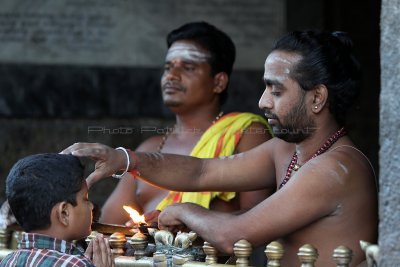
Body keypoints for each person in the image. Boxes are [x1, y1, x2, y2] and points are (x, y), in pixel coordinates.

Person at [62, 30, 378, 266]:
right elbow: (203, 171)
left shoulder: (335, 168)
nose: (262, 102)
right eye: (265, 88)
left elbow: (234, 237)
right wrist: (124, 158)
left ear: (317, 98)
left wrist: (187, 211)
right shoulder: (285, 149)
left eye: (276, 91)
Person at [100, 21, 273, 226]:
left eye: (188, 68)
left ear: (219, 82)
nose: (172, 76)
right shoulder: (151, 147)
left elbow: (260, 219)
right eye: (168, 67)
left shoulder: (246, 133)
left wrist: (190, 221)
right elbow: (110, 222)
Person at [0, 153, 114, 267]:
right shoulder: (76, 264)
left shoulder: (8, 261)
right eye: (85, 199)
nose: (91, 206)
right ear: (64, 213)